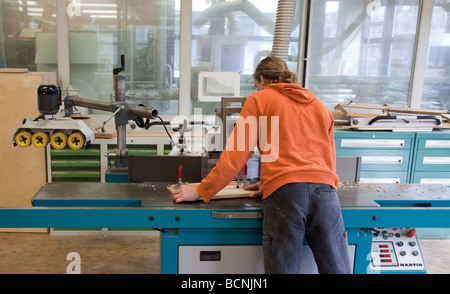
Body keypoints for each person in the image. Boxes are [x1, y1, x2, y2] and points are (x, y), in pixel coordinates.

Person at [172, 56, 351, 274]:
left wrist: (202, 190)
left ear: (262, 80)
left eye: (257, 85)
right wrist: (270, 182)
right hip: (327, 196)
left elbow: (235, 157)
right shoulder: (319, 106)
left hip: (286, 199)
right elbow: (328, 160)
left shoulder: (260, 100)